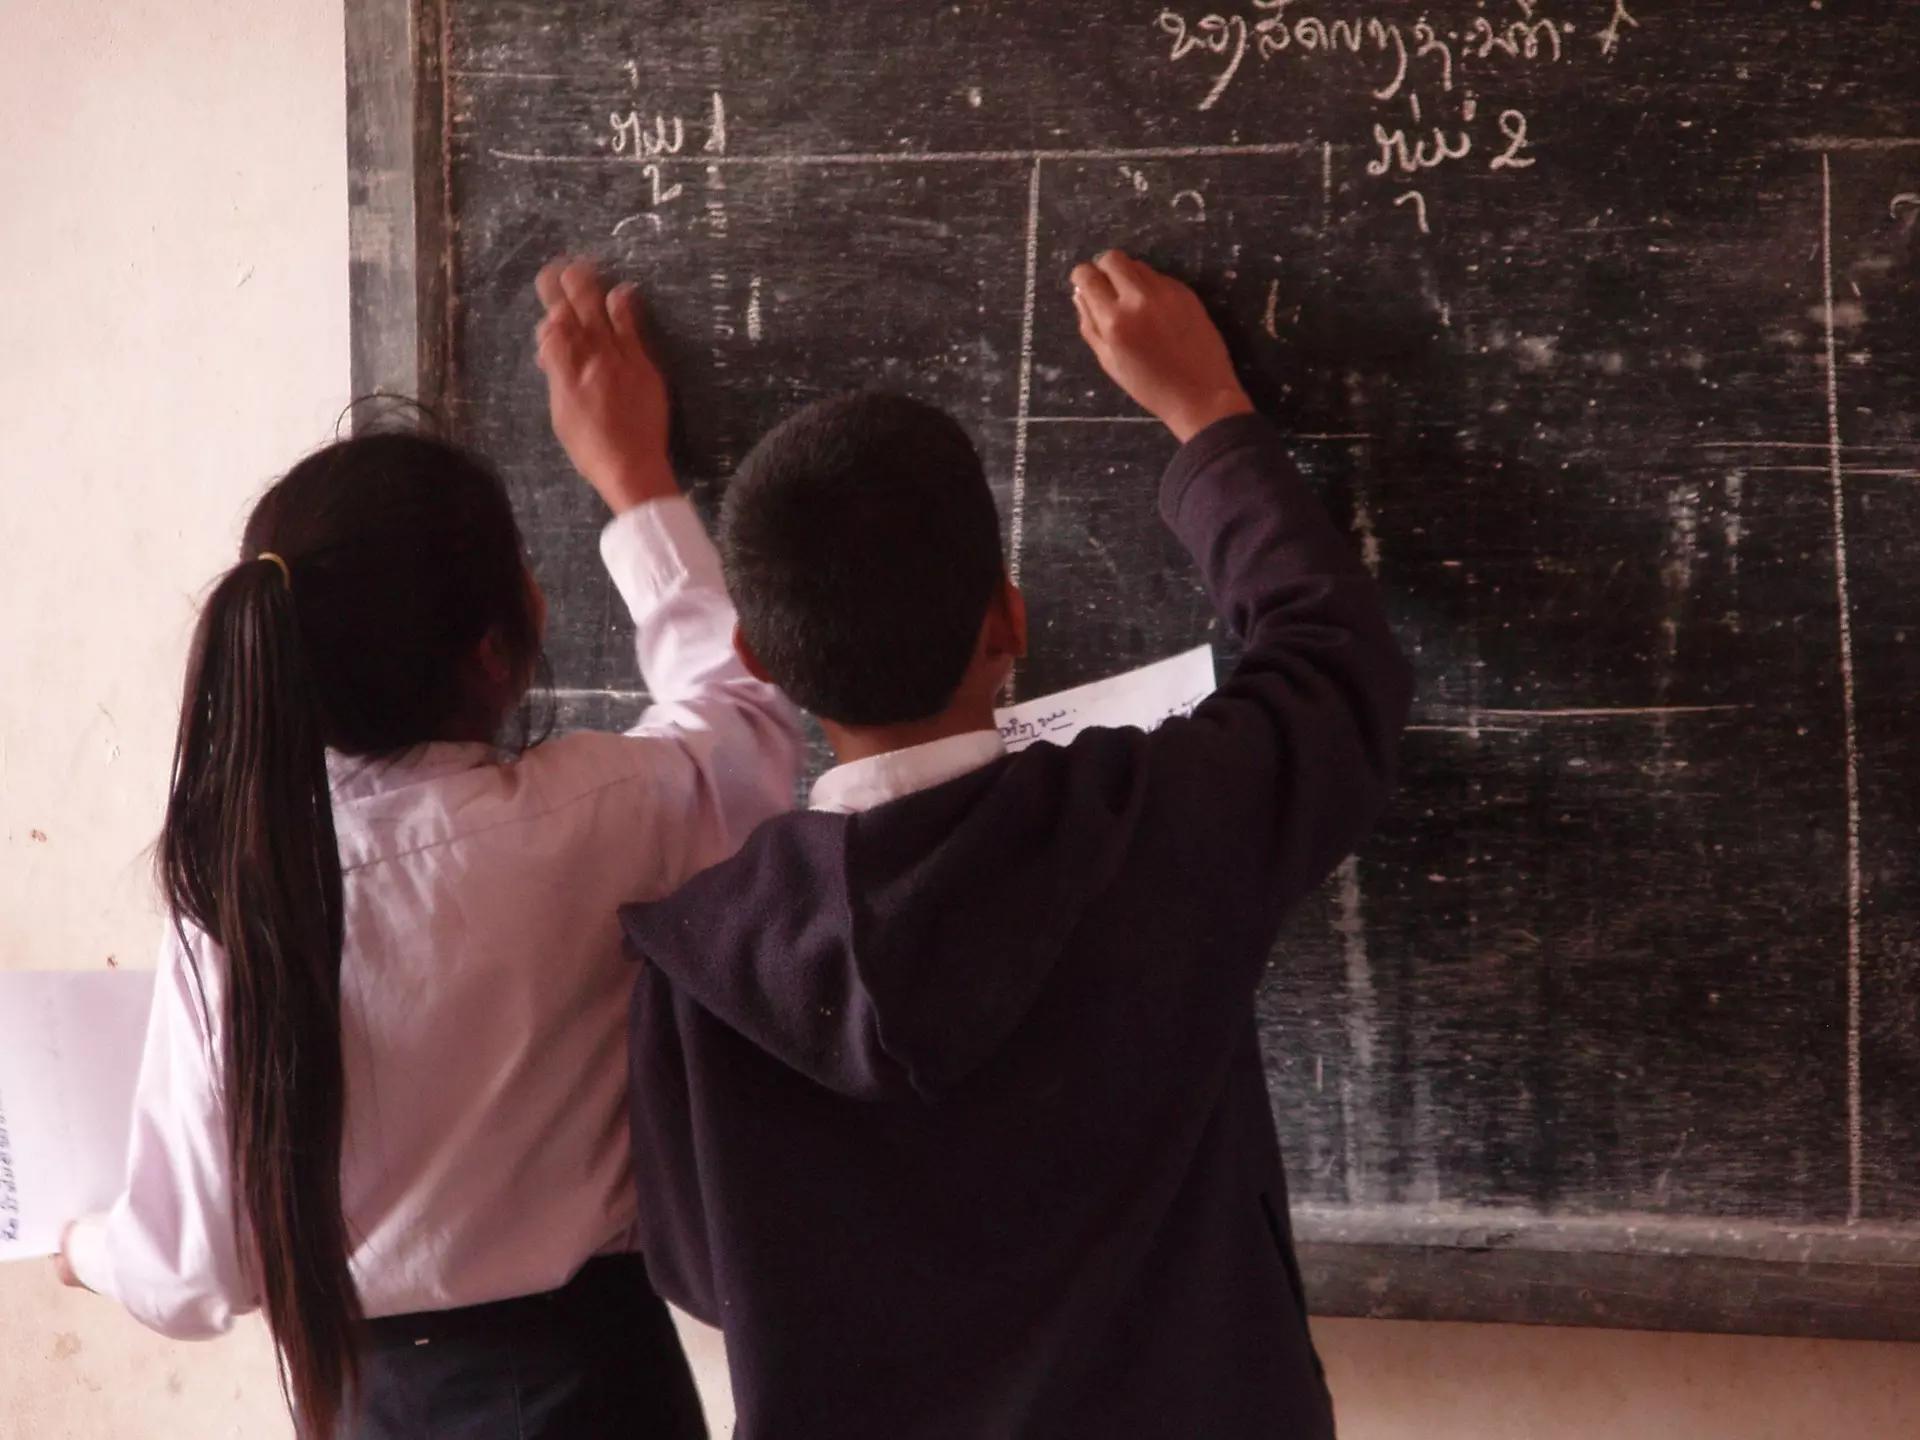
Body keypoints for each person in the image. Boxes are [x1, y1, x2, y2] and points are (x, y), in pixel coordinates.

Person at [617, 250, 1415, 1438]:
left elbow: (695, 1268)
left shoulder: (696, 965)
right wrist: (1207, 416)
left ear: (761, 663)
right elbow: (1335, 667)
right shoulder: (1156, 822)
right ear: (1009, 620)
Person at [56, 260, 799, 1438]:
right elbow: (748, 728)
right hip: (602, 1382)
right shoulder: (599, 812)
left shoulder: (237, 900)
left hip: (372, 1403)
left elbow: (192, 1271)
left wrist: (86, 1249)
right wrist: (638, 484)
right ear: (501, 650)